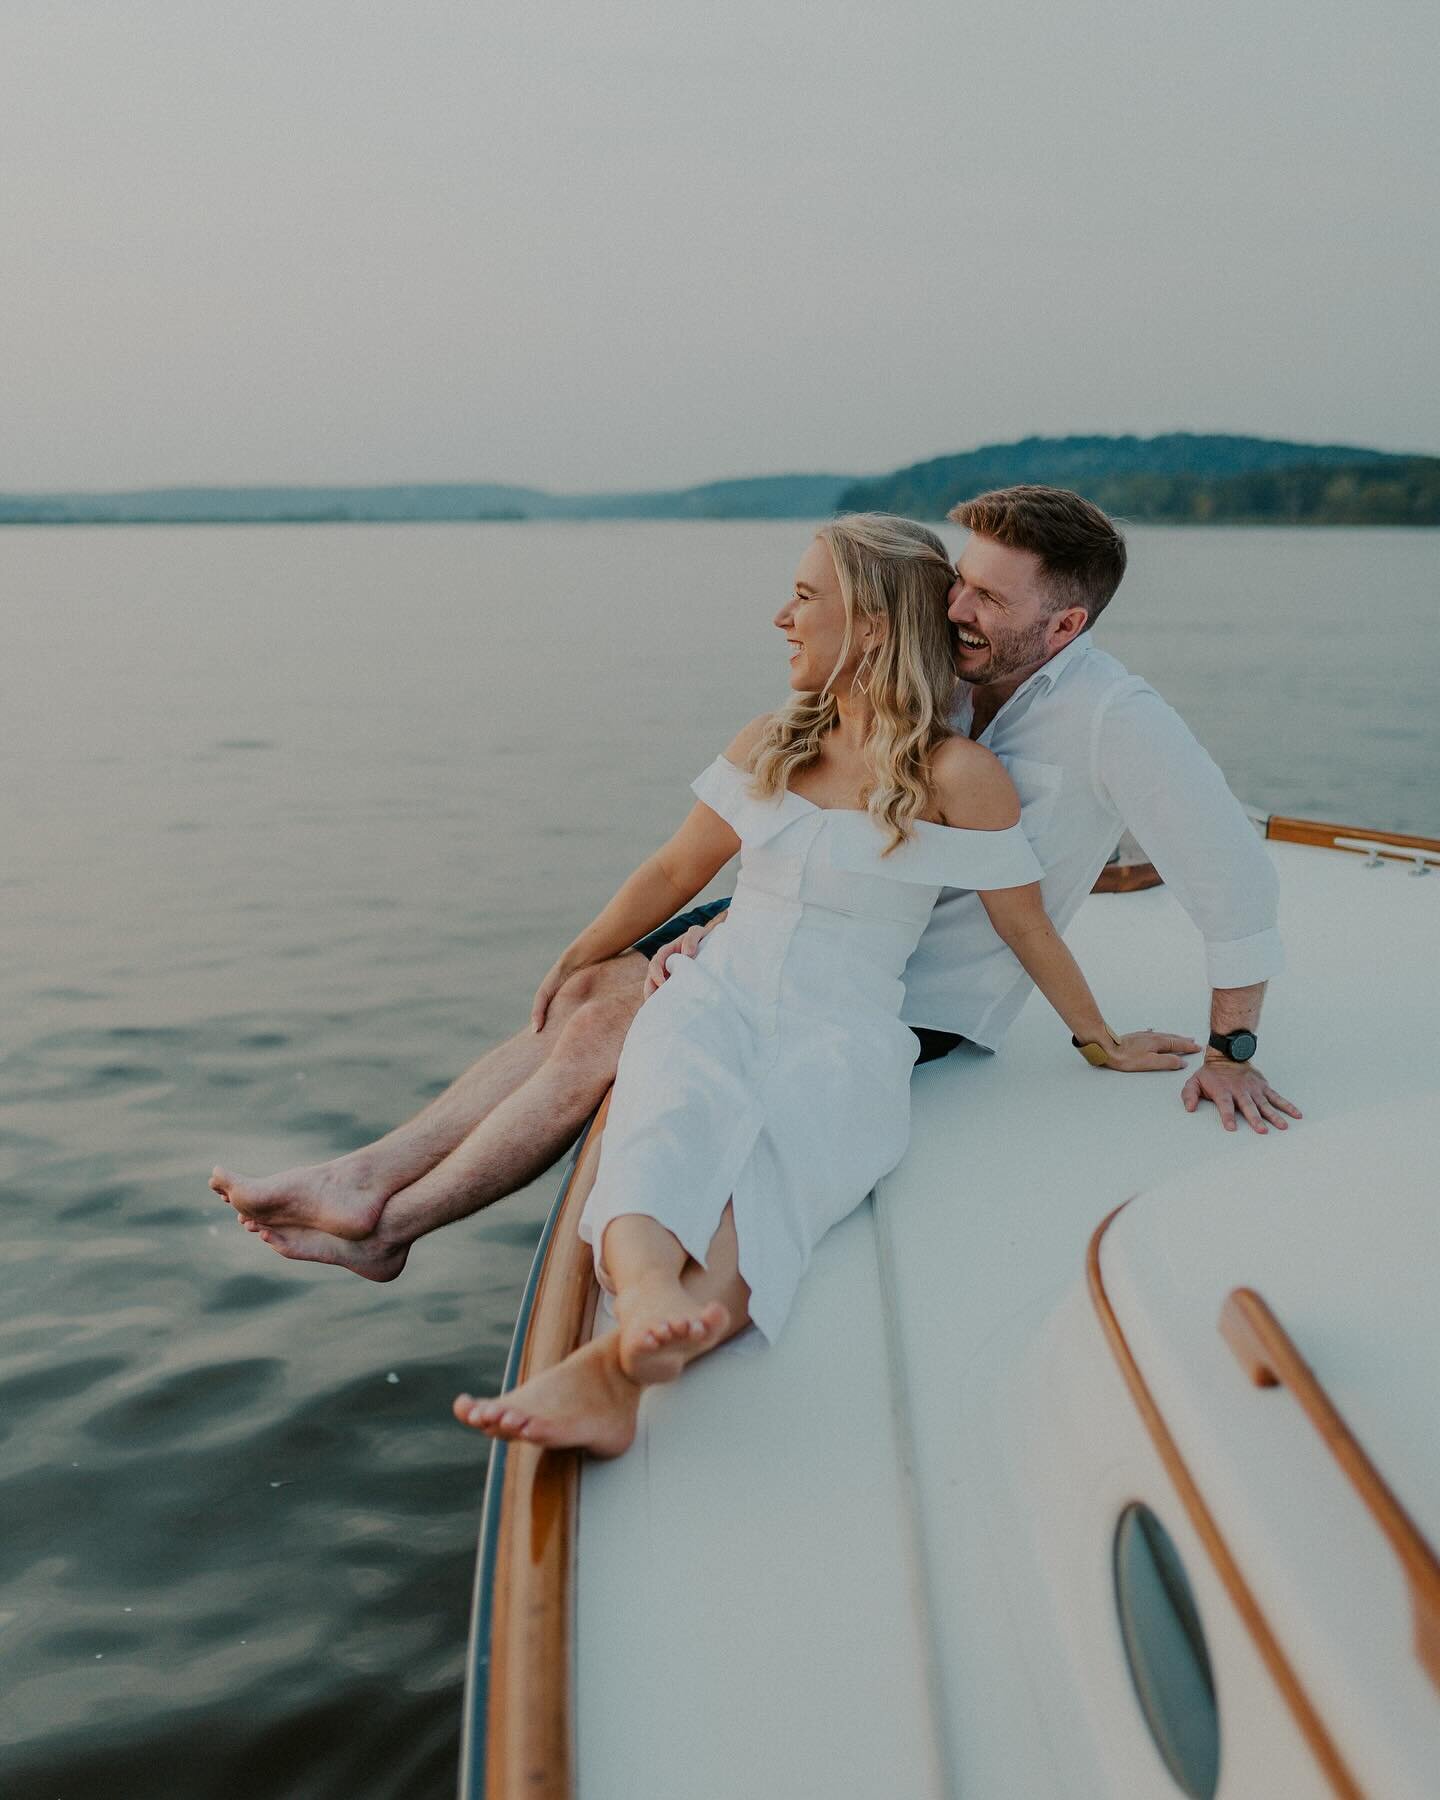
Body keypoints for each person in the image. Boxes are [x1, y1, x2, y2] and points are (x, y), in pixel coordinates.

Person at [209, 485, 1298, 1283]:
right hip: (815, 921)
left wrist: (1226, 1049)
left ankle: (387, 1217)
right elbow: (810, 817)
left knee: (607, 1033)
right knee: (593, 994)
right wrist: (638, 941)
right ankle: (367, 1174)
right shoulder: (944, 677)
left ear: (1064, 626)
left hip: (904, 996)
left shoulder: (1118, 720)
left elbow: (1232, 880)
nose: (954, 607)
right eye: (956, 582)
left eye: (984, 597)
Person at [448, 515, 1191, 1453]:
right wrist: (578, 955)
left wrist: (1101, 1038)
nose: (780, 618)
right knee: (661, 1127)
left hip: (846, 1026)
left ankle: (621, 1367)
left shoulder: (960, 776)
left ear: (873, 626)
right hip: (716, 994)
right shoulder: (772, 741)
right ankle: (642, 1308)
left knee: (784, 1175)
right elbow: (675, 873)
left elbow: (1025, 925)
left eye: (804, 598)